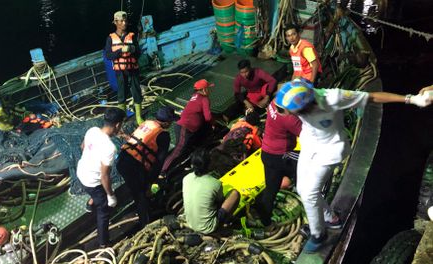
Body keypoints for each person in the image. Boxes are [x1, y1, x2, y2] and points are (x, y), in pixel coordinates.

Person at [275, 79, 433, 252]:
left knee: (310, 194)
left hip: (330, 150)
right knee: (301, 189)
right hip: (310, 143)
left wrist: (411, 99)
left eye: (291, 111)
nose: (287, 113)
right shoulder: (298, 91)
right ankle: (331, 219)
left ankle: (319, 235)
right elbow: (285, 93)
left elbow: (372, 97)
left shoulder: (333, 98)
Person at [116, 106, 178, 227]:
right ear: (166, 122)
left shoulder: (147, 123)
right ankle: (146, 223)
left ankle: (143, 204)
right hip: (133, 165)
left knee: (137, 188)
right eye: (171, 121)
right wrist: (151, 180)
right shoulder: (163, 135)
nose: (171, 124)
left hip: (122, 159)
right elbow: (159, 161)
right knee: (141, 194)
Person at [76, 108, 126, 248]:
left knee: (94, 193)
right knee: (103, 211)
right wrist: (111, 195)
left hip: (81, 172)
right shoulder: (110, 148)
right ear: (117, 125)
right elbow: (104, 176)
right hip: (93, 181)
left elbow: (82, 146)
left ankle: (90, 203)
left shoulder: (92, 130)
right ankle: (104, 243)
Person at [255, 99, 302, 227]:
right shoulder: (290, 119)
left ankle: (264, 218)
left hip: (267, 152)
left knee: (271, 189)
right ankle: (302, 191)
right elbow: (308, 134)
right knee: (303, 162)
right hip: (280, 155)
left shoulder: (274, 103)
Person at [160, 79, 214, 177]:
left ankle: (172, 166)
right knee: (178, 149)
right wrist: (213, 124)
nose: (210, 91)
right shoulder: (204, 99)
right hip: (185, 128)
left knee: (183, 148)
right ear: (204, 90)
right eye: (208, 88)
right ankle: (163, 171)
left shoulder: (194, 96)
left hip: (184, 127)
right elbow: (208, 117)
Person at [182, 148, 240, 234]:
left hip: (190, 223)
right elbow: (220, 200)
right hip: (208, 228)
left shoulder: (186, 178)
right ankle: (221, 226)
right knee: (235, 194)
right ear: (209, 164)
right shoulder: (214, 183)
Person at [104, 11, 144, 125]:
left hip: (133, 69)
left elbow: (138, 52)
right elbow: (108, 55)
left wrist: (132, 49)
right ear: (116, 22)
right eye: (121, 21)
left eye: (125, 20)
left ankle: (138, 116)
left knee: (136, 91)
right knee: (122, 93)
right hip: (120, 71)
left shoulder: (132, 36)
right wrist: (120, 50)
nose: (124, 23)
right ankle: (122, 116)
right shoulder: (110, 39)